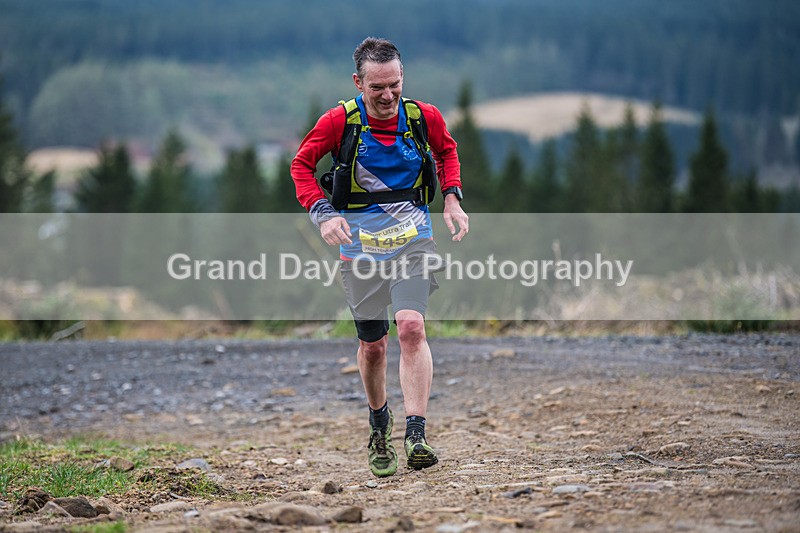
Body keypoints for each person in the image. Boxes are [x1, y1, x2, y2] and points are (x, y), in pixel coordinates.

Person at [291, 37, 468, 477]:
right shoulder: (339, 122)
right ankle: (378, 422)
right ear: (358, 83)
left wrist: (451, 198)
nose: (388, 96)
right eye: (377, 88)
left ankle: (416, 432)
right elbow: (300, 167)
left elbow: (447, 151)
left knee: (411, 326)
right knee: (373, 345)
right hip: (360, 248)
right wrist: (323, 214)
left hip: (413, 241)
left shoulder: (423, 117)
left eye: (395, 84)